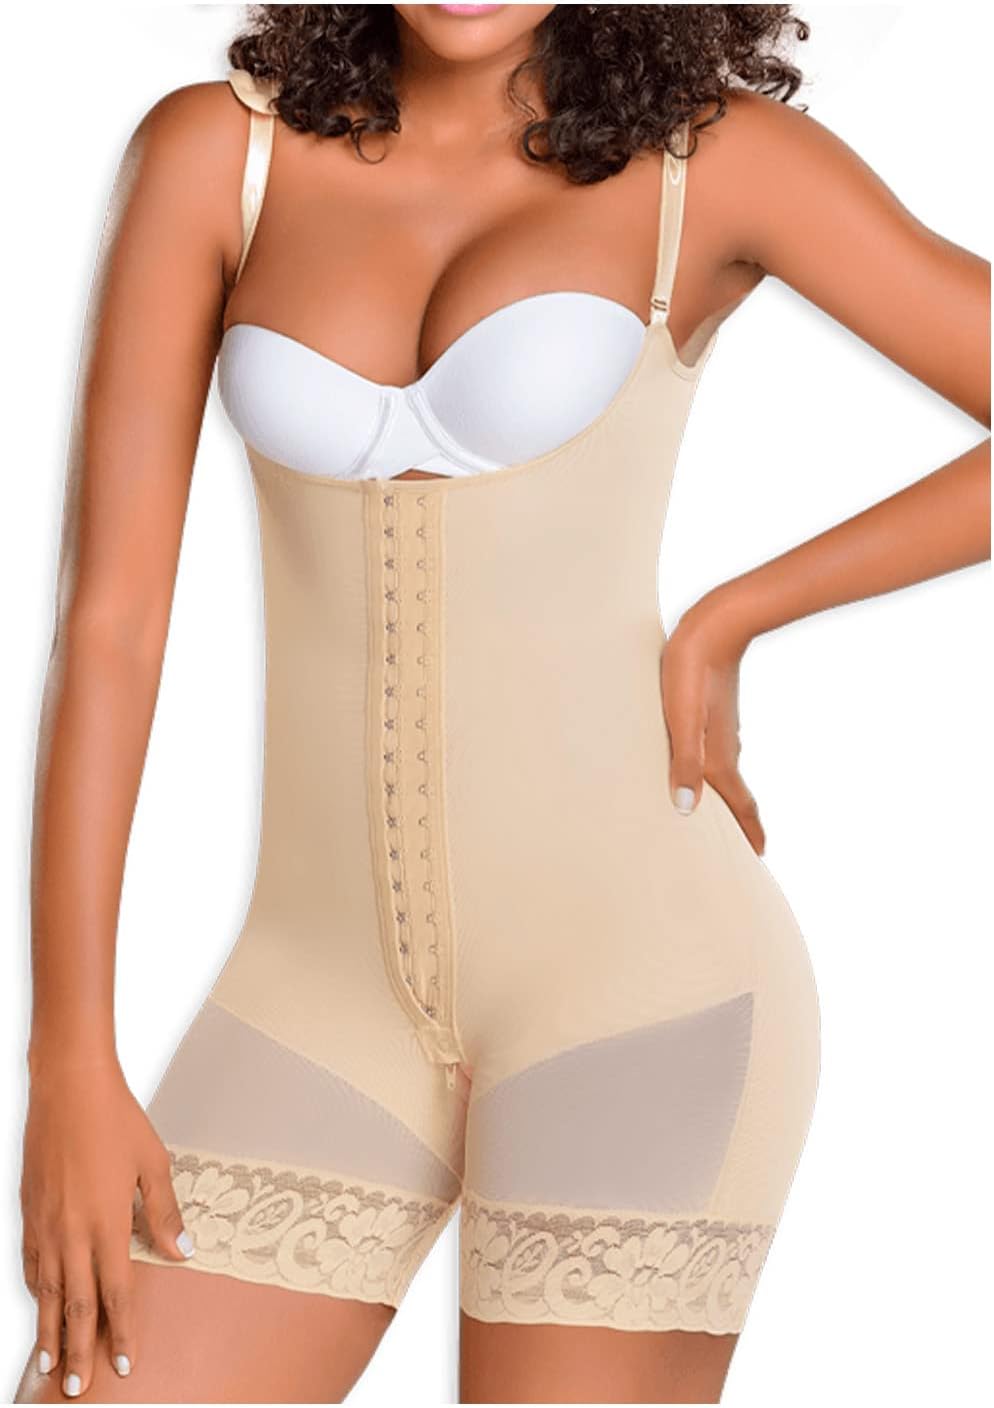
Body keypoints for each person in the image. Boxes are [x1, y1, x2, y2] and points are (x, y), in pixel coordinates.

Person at [13, 5, 990, 1404]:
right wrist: (69, 1057)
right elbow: (109, 628)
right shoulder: (215, 156)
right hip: (312, 1000)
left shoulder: (713, 167)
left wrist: (739, 610)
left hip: (642, 1000)